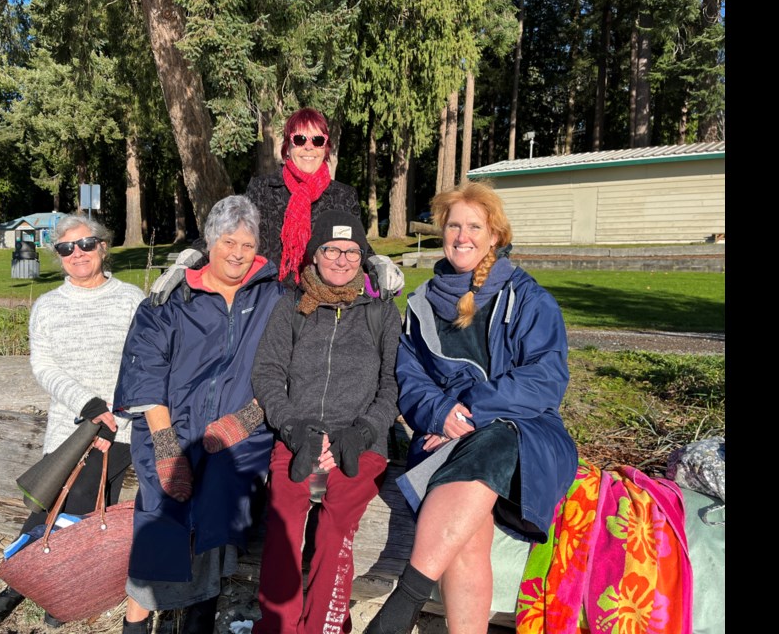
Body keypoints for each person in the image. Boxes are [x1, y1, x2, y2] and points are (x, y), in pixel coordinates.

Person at [364, 181, 578, 634]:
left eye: (474, 227)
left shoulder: (529, 299)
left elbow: (545, 379)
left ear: (495, 236)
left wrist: (469, 412)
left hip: (525, 437)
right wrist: (441, 414)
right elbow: (410, 377)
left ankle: (404, 603)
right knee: (466, 544)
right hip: (446, 435)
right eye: (454, 225)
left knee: (494, 438)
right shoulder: (421, 304)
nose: (462, 236)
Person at [113, 196, 285, 634]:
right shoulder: (171, 299)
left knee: (219, 498)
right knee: (161, 502)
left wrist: (245, 421)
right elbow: (145, 373)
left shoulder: (275, 294)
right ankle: (137, 620)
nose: (237, 253)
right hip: (169, 426)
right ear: (210, 241)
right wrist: (168, 446)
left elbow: (293, 366)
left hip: (242, 429)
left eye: (247, 244)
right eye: (228, 241)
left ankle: (198, 617)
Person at [0, 215, 145, 628]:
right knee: (50, 504)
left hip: (118, 429)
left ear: (104, 247)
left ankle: (50, 588)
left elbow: (144, 365)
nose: (77, 254)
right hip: (68, 426)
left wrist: (115, 416)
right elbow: (44, 366)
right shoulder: (48, 306)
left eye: (85, 244)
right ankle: (20, 584)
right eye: (67, 249)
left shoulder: (132, 301)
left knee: (82, 505)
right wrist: (87, 404)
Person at [250, 211, 401, 634]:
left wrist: (364, 432)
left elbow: (392, 385)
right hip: (298, 435)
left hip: (359, 440)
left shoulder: (381, 314)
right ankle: (277, 626)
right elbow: (268, 373)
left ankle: (322, 627)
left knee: (335, 525)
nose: (341, 259)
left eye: (351, 250)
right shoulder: (291, 308)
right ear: (314, 256)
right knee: (283, 515)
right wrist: (293, 429)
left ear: (362, 257)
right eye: (331, 249)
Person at [148, 107, 404, 303]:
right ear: (287, 146)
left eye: (317, 140)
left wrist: (380, 263)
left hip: (323, 303)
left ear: (326, 147)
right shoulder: (263, 189)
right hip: (268, 300)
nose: (308, 147)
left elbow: (357, 247)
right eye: (300, 139)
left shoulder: (342, 196)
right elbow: (229, 232)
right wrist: (185, 263)